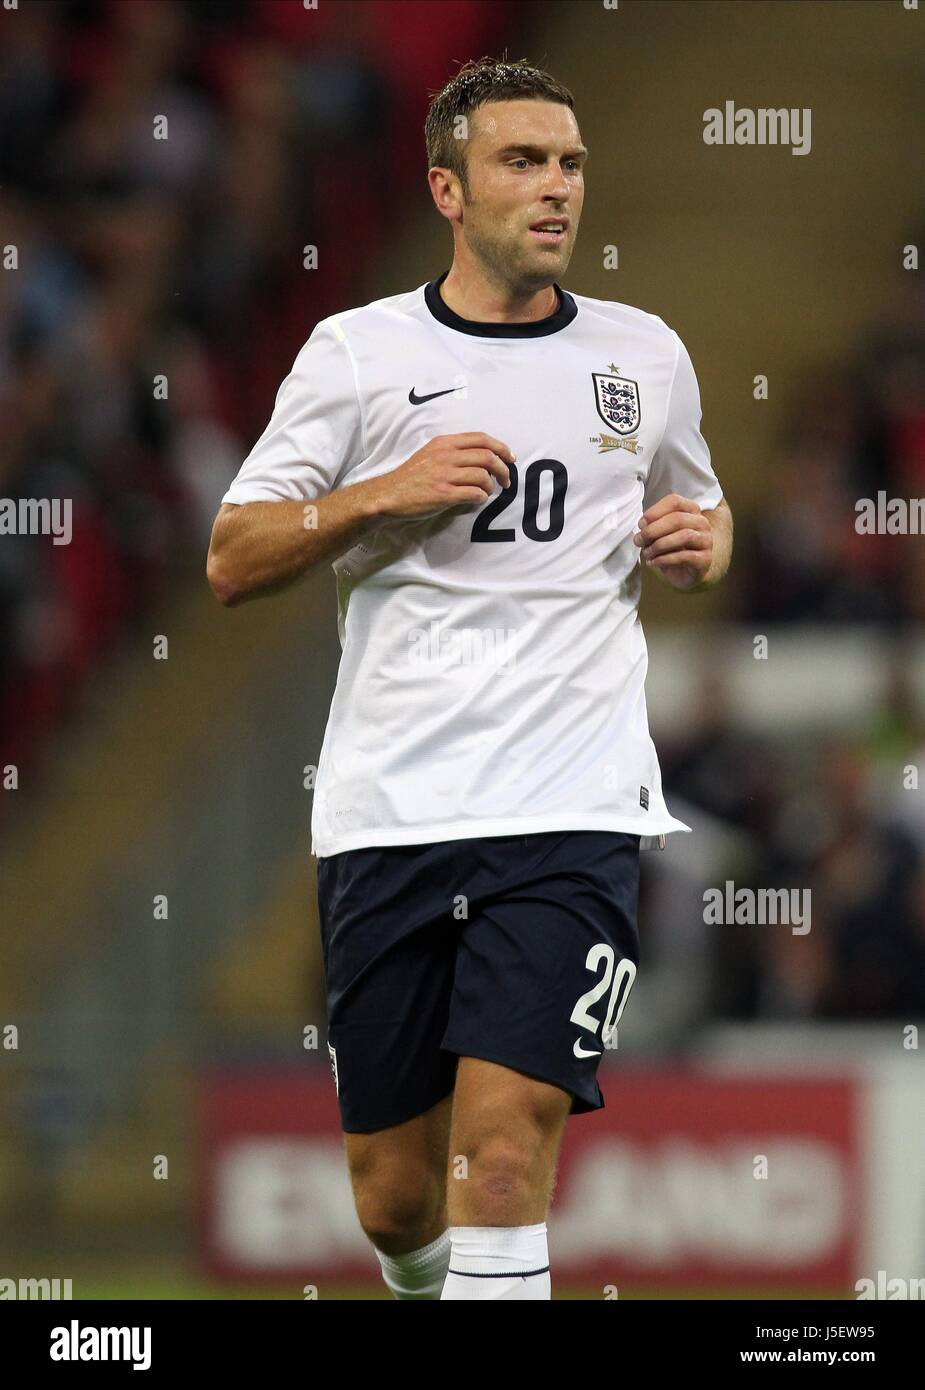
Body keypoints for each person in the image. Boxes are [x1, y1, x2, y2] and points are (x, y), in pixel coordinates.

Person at [207, 56, 733, 1301]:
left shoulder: (643, 356)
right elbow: (234, 555)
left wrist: (704, 547)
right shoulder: (356, 354)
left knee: (500, 1163)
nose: (556, 189)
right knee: (396, 1202)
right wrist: (386, 490)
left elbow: (702, 519)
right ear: (446, 187)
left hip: (570, 812)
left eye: (570, 165)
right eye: (522, 161)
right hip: (393, 812)